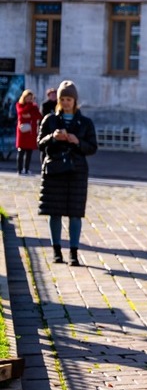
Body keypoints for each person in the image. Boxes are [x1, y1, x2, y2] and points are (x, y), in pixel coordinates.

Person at [38, 80, 97, 266]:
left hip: (76, 171)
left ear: (75, 100)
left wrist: (77, 141)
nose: (65, 102)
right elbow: (40, 143)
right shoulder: (50, 120)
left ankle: (73, 253)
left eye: (69, 99)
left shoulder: (85, 123)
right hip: (55, 170)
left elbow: (92, 147)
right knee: (54, 212)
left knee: (75, 213)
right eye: (62, 99)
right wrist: (52, 137)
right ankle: (56, 251)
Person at [15, 90, 41, 175]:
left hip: (31, 132)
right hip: (22, 132)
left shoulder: (34, 106)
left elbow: (38, 116)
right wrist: (29, 107)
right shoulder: (19, 105)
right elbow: (22, 113)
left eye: (30, 98)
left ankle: (26, 169)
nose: (29, 100)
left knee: (29, 152)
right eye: (27, 98)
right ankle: (19, 169)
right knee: (21, 151)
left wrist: (30, 115)